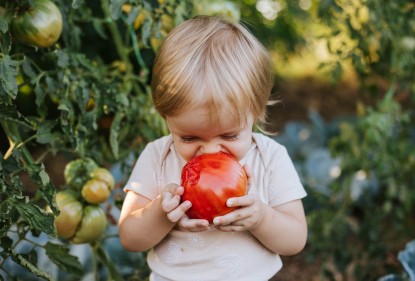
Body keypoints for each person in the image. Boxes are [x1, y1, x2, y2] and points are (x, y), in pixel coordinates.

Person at [118, 15, 307, 281]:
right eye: (189, 138)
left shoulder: (270, 158)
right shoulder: (157, 157)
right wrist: (160, 215)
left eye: (229, 135)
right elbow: (129, 236)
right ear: (167, 120)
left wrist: (262, 218)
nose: (208, 152)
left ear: (256, 113)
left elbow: (295, 239)